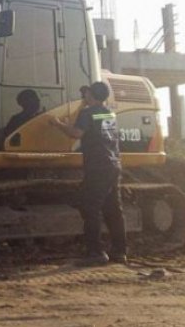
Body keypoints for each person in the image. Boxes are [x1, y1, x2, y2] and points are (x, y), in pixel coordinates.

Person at [49, 81, 127, 265]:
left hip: (98, 167)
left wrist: (57, 123)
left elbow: (76, 133)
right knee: (113, 209)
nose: (84, 96)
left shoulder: (88, 113)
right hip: (114, 164)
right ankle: (120, 251)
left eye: (87, 93)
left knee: (89, 207)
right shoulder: (109, 112)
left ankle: (95, 253)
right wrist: (84, 105)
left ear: (91, 95)